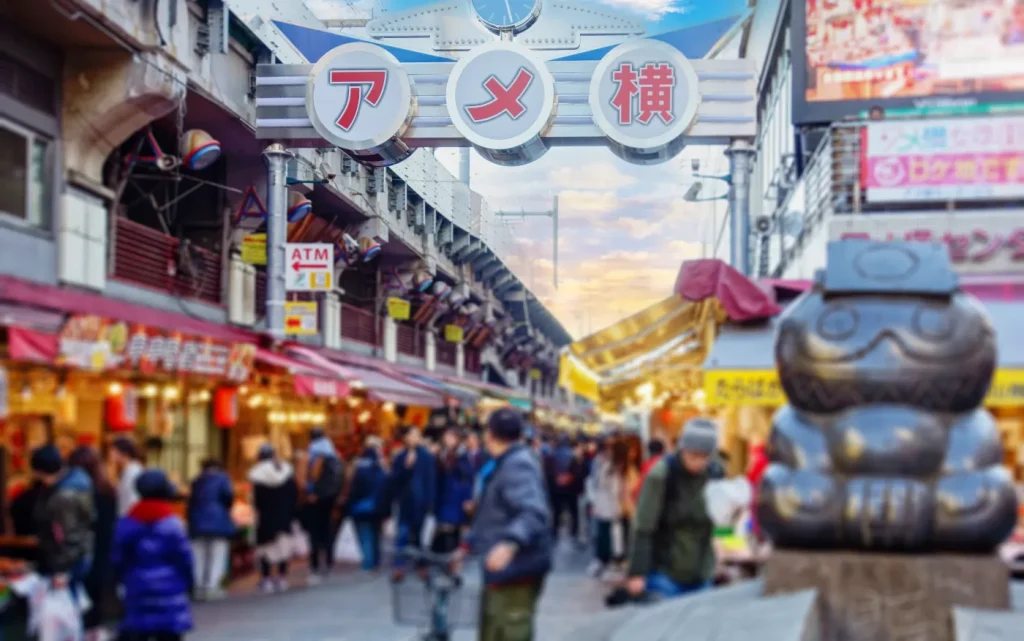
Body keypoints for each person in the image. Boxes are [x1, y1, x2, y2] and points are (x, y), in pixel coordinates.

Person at [456, 409, 552, 641]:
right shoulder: (506, 462)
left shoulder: (516, 464)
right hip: (505, 570)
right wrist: (468, 546)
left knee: (508, 631)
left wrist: (510, 544)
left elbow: (534, 512)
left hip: (517, 569)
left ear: (488, 435)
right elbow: (493, 514)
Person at [626, 418, 717, 599]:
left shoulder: (715, 474)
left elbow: (721, 520)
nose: (698, 462)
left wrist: (722, 554)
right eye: (693, 455)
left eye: (704, 456)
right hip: (664, 573)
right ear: (682, 449)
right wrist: (636, 572)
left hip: (702, 573)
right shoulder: (661, 475)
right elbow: (643, 525)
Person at [112, 469, 193, 641]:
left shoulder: (127, 523)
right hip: (170, 591)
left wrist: (123, 580)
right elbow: (185, 559)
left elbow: (118, 558)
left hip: (137, 588)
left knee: (139, 632)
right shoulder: (173, 524)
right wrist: (188, 583)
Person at [68, 446, 118, 641]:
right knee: (94, 601)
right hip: (101, 552)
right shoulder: (107, 491)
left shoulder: (71, 492)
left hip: (78, 553)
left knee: (76, 599)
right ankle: (93, 633)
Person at [30, 444, 94, 584]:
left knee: (64, 603)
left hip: (68, 563)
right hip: (80, 556)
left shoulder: (63, 496)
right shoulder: (77, 481)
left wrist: (62, 571)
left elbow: (68, 535)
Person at [249, 444, 298, 593]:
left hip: (266, 518)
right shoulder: (286, 472)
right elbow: (293, 495)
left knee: (265, 549)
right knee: (283, 548)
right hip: (284, 516)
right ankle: (282, 578)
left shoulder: (257, 476)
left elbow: (256, 501)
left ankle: (266, 578)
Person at [389, 426, 436, 580]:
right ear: (406, 438)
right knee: (402, 534)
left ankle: (421, 566)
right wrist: (406, 468)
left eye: (417, 435)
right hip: (405, 502)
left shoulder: (427, 457)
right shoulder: (400, 457)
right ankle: (399, 567)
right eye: (412, 435)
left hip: (421, 503)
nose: (415, 438)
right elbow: (394, 480)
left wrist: (430, 502)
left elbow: (430, 480)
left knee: (420, 536)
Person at [187, 459, 235, 600]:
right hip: (218, 521)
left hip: (197, 522)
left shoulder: (197, 481)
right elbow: (228, 498)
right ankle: (212, 586)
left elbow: (191, 502)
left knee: (198, 554)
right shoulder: (223, 479)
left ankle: (199, 585)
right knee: (217, 554)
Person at [305, 428, 344, 585]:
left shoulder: (317, 452)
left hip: (318, 497)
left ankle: (315, 565)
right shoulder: (332, 452)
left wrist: (311, 489)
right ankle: (329, 562)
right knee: (328, 529)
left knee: (315, 531)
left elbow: (314, 474)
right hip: (331, 497)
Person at [347, 436, 389, 571]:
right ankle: (375, 561)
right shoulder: (381, 469)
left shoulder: (359, 469)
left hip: (361, 508)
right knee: (376, 535)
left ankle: (368, 563)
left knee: (365, 535)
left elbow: (354, 489)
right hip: (378, 508)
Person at [432, 427, 474, 555]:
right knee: (442, 525)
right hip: (443, 493)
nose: (448, 440)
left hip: (456, 495)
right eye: (446, 437)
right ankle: (440, 553)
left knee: (452, 527)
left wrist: (467, 498)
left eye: (451, 437)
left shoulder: (462, 454)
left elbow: (468, 477)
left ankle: (450, 556)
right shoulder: (442, 453)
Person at [586, 438, 622, 578]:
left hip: (605, 504)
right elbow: (597, 483)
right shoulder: (603, 464)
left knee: (605, 532)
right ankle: (604, 559)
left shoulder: (605, 464)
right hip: (605, 504)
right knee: (604, 533)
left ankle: (604, 559)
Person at [546, 436, 585, 543]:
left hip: (556, 489)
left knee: (556, 512)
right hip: (571, 490)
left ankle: (555, 531)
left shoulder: (551, 456)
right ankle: (574, 531)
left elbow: (547, 474)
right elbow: (578, 474)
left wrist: (556, 480)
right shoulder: (573, 456)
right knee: (573, 511)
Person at [110, 437, 145, 516]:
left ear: (124, 453)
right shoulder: (127, 470)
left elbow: (133, 501)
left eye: (114, 451)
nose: (111, 455)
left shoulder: (133, 472)